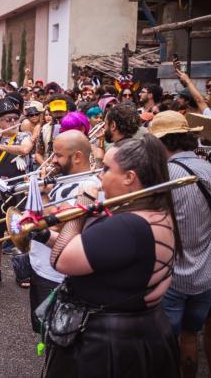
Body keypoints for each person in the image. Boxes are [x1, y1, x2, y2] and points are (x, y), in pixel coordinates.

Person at [39, 135, 179, 377]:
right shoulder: (153, 212)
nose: (99, 177)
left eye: (105, 169)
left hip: (107, 346)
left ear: (129, 177)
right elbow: (87, 250)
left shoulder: (128, 225)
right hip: (135, 334)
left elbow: (61, 259)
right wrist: (41, 235)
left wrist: (81, 206)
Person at [150, 111, 211, 378]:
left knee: (167, 344)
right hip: (205, 274)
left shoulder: (163, 174)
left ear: (162, 142)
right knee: (190, 335)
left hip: (171, 275)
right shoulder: (208, 168)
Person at [28, 130, 97, 333]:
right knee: (41, 329)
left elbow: (58, 225)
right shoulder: (64, 178)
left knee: (52, 333)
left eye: (58, 155)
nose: (52, 161)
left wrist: (42, 195)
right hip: (41, 267)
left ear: (77, 157)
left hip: (56, 276)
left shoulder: (88, 187)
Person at [0, 97, 33, 287]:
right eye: (7, 119)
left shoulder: (23, 136)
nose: (12, 122)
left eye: (15, 118)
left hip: (19, 191)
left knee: (21, 232)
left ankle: (23, 272)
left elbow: (25, 149)